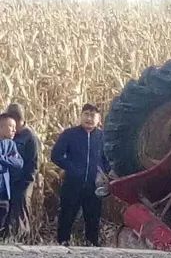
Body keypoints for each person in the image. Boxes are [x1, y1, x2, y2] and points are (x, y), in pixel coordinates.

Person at [51, 104, 110, 247]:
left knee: (93, 217)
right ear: (81, 116)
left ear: (99, 119)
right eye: (86, 114)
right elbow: (56, 155)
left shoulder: (103, 137)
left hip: (94, 186)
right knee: (67, 214)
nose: (89, 118)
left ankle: (92, 244)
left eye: (93, 115)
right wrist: (72, 168)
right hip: (72, 184)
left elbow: (109, 159)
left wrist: (103, 172)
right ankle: (62, 242)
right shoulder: (69, 134)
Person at [5, 103, 40, 238]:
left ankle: (22, 238)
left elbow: (33, 163)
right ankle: (6, 236)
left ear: (21, 120)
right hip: (8, 180)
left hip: (23, 181)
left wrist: (26, 181)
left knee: (20, 210)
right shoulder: (7, 133)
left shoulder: (29, 137)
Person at [0, 113, 24, 233]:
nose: (15, 130)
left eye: (15, 126)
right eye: (11, 126)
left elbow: (19, 163)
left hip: (4, 189)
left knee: (4, 210)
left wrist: (2, 159)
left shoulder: (10, 144)